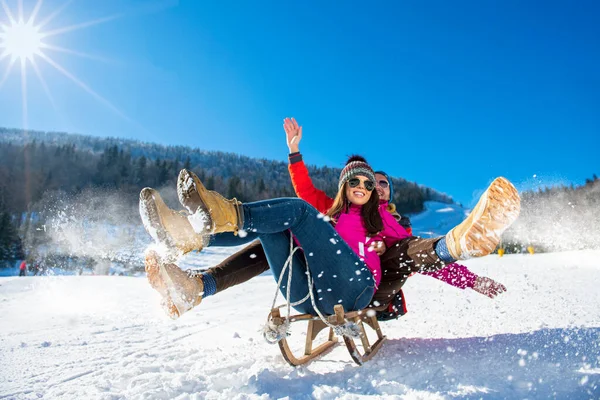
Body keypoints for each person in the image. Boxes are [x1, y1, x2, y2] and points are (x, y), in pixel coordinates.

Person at [140, 153, 520, 320]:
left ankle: (462, 240)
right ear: (343, 185)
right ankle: (193, 259)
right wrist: (294, 152)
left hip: (356, 289)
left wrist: (469, 276)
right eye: (355, 180)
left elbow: (414, 253)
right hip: (309, 294)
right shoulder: (331, 215)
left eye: (372, 183)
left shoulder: (385, 222)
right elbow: (304, 191)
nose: (367, 187)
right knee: (278, 226)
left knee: (297, 213)